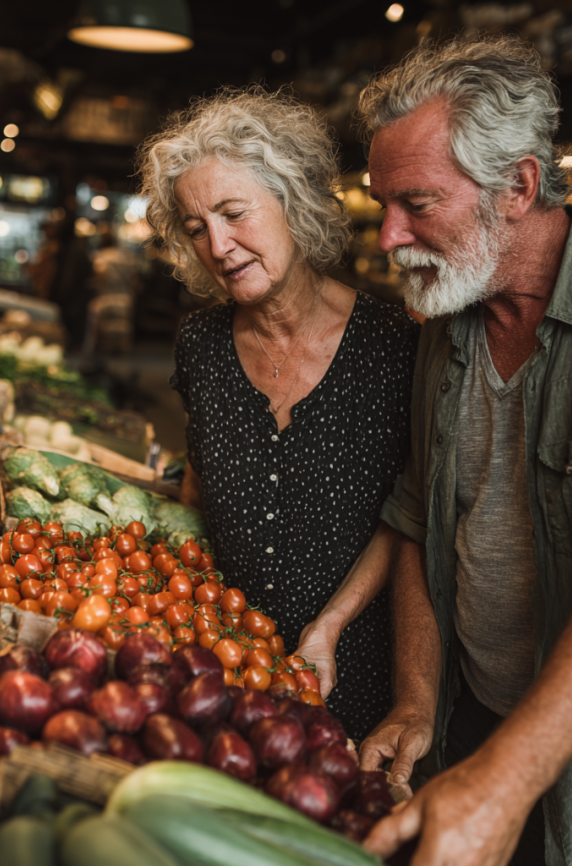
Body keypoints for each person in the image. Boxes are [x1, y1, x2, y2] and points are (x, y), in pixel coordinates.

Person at [349, 36, 572, 866]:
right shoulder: (449, 312)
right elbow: (423, 516)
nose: (390, 236)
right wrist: (419, 703)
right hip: (474, 720)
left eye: (417, 203)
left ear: (519, 186)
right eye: (383, 203)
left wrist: (508, 778)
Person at [136, 86, 420, 740]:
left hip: (352, 672)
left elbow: (409, 516)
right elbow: (199, 488)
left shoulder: (394, 345)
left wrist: (331, 624)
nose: (219, 243)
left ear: (292, 201)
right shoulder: (201, 346)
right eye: (195, 227)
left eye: (235, 213)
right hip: (223, 669)